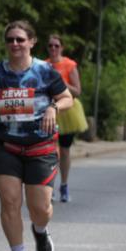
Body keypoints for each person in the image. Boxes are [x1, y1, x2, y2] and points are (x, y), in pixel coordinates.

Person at [0, 21, 73, 251]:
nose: (15, 44)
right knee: (9, 202)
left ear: (32, 42)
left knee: (40, 208)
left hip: (40, 147)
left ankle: (40, 230)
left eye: (20, 39)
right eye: (10, 39)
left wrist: (53, 107)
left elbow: (68, 98)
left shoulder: (46, 71)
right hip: (5, 146)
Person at [45, 34, 85, 202]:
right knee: (50, 151)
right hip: (48, 111)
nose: (53, 49)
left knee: (65, 150)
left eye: (56, 46)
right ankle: (49, 187)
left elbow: (77, 91)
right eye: (50, 46)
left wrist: (59, 80)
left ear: (62, 47)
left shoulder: (69, 65)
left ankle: (64, 185)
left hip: (67, 110)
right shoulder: (43, 65)